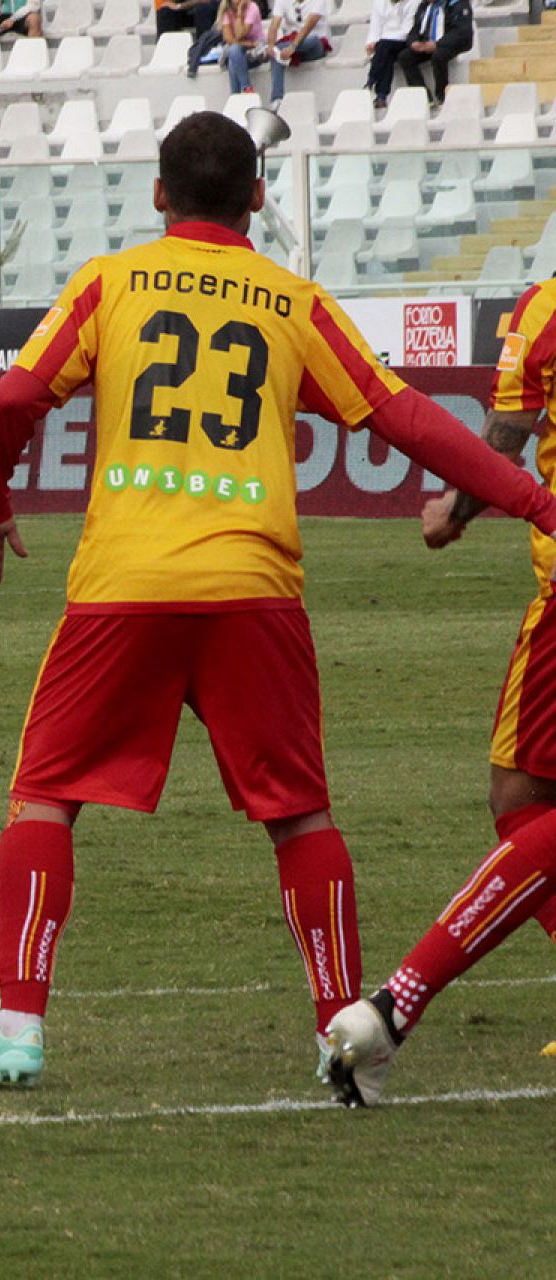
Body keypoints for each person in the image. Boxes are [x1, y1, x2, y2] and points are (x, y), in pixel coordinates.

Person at [0, 111, 556, 1092]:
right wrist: (535, 501)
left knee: (44, 796)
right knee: (300, 816)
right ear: (259, 197)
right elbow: (406, 417)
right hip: (254, 588)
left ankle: (18, 1028)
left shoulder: (110, 282)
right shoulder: (291, 301)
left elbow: (13, 400)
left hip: (124, 587)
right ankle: (339, 1034)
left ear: (158, 195)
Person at [324, 277, 556, 1101]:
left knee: (526, 802)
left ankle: (393, 1005)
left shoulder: (547, 306)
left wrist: (454, 509)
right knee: (521, 796)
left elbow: (506, 434)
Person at [395, 0, 471, 107]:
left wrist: (438, 44)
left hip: (452, 43)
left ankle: (442, 95)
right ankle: (423, 96)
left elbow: (460, 31)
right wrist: (413, 42)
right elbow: (415, 28)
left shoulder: (457, 3)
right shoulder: (424, 6)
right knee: (405, 57)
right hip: (428, 43)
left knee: (438, 56)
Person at [265, 0, 329, 107]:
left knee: (312, 39)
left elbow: (309, 26)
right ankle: (277, 99)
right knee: (276, 51)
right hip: (291, 46)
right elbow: (274, 24)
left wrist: (293, 46)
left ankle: (269, 50)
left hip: (314, 45)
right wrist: (271, 45)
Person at [365, 0, 419, 108]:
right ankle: (381, 96)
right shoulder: (379, 3)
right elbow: (375, 26)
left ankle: (372, 79)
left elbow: (407, 30)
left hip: (403, 40)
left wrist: (381, 42)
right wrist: (372, 42)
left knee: (384, 47)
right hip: (384, 44)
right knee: (387, 56)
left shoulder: (414, 2)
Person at [217, 0, 264, 93]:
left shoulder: (252, 7)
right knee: (234, 52)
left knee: (233, 60)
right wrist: (248, 43)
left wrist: (240, 13)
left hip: (256, 52)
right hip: (241, 50)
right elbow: (228, 38)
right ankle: (246, 88)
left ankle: (236, 95)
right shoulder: (227, 11)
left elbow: (239, 34)